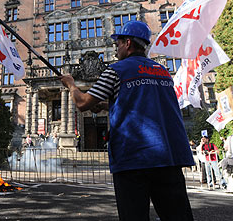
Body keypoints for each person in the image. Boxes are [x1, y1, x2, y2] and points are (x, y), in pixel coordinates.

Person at [61, 20, 194, 221]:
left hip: (133, 158)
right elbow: (148, 105)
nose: (116, 50)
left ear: (128, 43)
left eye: (118, 44)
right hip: (169, 158)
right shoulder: (163, 72)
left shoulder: (116, 70)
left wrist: (71, 85)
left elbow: (82, 103)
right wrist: (108, 105)